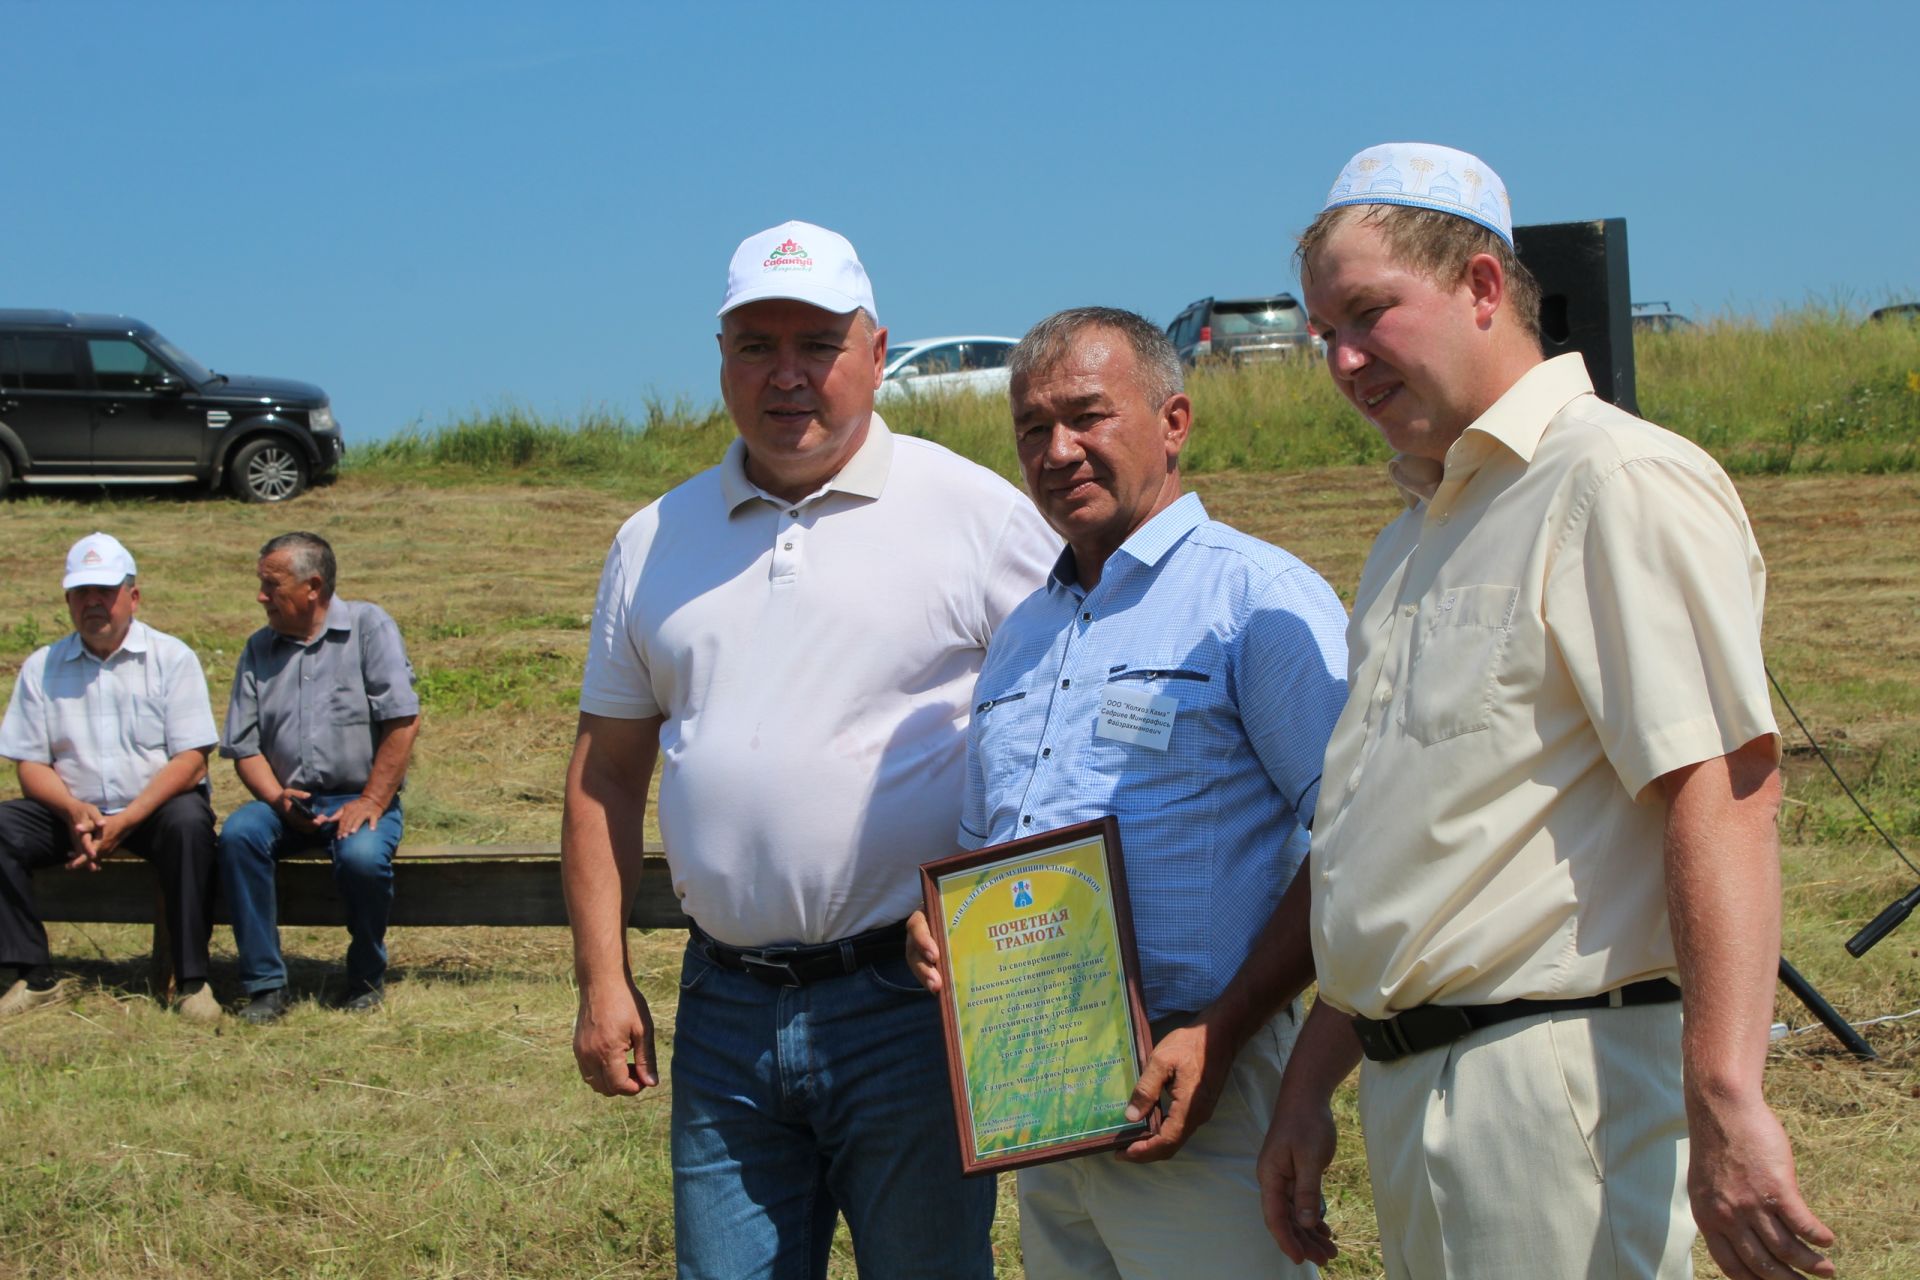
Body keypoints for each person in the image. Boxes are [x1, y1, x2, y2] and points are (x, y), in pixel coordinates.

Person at [1257, 142, 1837, 1280]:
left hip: (1553, 1088)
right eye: (1324, 328)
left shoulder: (1611, 480)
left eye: (1370, 312)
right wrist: (1313, 1074)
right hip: (1422, 1087)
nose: (1342, 356)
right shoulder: (1410, 540)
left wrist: (1726, 1093)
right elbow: (1415, 854)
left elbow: (1721, 790)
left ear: (1482, 285)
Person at [562, 219, 1058, 1280]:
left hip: (911, 1006)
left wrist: (996, 893)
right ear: (723, 359)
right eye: (755, 344)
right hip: (725, 1007)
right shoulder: (655, 539)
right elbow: (605, 773)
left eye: (818, 343)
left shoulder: (973, 513)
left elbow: (1068, 715)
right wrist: (602, 979)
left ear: (878, 354)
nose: (786, 374)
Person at [903, 308, 1350, 1278]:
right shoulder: (1022, 636)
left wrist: (1221, 1031)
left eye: (1088, 416)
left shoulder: (1256, 602)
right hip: (1046, 1099)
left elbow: (1361, 843)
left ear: (1175, 420)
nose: (1057, 450)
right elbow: (994, 858)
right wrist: (942, 926)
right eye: (1031, 426)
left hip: (1204, 1086)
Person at [0, 532, 221, 1023]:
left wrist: (127, 819)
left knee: (189, 824)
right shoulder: (42, 666)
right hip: (71, 813)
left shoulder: (171, 657)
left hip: (152, 810)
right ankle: (32, 975)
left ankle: (191, 981)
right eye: (82, 593)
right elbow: (30, 764)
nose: (93, 602)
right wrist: (74, 810)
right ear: (68, 601)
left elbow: (192, 761)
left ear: (133, 596)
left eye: (105, 590)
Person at [216, 531, 420, 1023]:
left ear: (312, 586)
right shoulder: (258, 649)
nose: (261, 596)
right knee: (239, 835)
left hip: (362, 795)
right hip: (287, 800)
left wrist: (372, 800)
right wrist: (276, 797)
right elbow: (243, 746)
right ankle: (265, 984)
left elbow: (402, 722)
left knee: (363, 857)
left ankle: (366, 976)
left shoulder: (370, 628)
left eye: (271, 584)